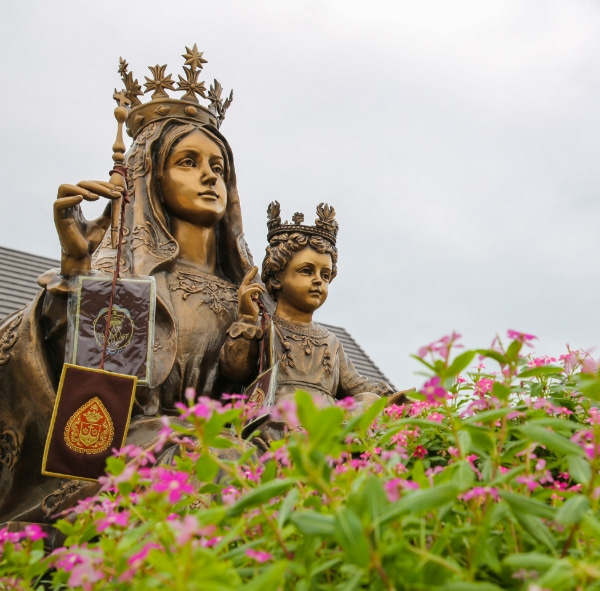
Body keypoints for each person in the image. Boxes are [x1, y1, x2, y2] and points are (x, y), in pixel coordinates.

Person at [0, 48, 257, 523]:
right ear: (151, 177)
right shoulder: (124, 278)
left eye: (218, 168)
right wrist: (76, 270)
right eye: (188, 161)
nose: (208, 176)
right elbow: (59, 378)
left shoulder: (246, 295)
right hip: (137, 456)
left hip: (229, 448)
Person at [220, 201, 404, 446]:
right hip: (282, 416)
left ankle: (333, 435)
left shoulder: (330, 341)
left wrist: (389, 396)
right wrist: (246, 320)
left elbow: (355, 384)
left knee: (369, 401)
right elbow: (235, 371)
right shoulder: (265, 328)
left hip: (327, 418)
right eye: (307, 271)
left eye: (325, 275)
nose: (318, 281)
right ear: (276, 277)